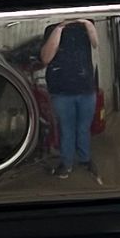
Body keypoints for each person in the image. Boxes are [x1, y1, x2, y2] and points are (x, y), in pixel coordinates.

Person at [40, 18, 100, 177]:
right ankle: (66, 164)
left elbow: (95, 43)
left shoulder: (87, 25)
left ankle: (85, 159)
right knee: (66, 129)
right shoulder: (52, 28)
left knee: (83, 128)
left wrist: (86, 22)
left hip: (86, 88)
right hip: (61, 91)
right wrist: (60, 27)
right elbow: (46, 58)